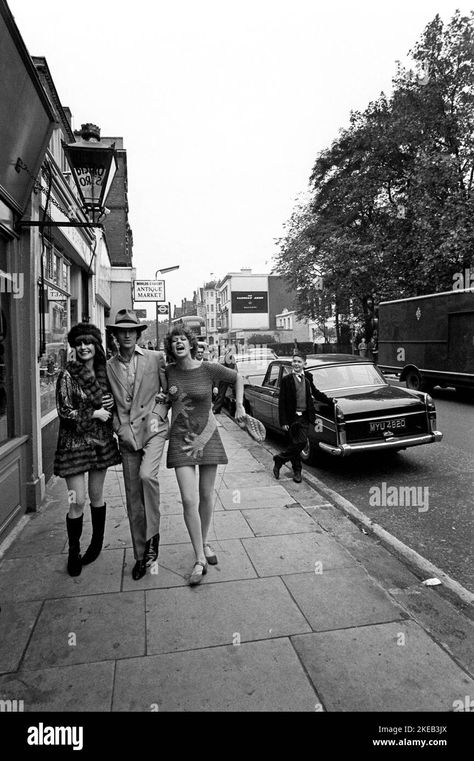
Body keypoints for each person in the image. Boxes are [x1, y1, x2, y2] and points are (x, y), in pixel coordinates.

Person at [164, 326, 245, 585]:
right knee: (189, 499)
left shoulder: (208, 368)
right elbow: (165, 399)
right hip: (180, 442)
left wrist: (240, 406)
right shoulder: (168, 371)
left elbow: (237, 378)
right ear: (171, 347)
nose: (179, 343)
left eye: (183, 339)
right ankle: (199, 557)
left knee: (207, 495)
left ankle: (205, 540)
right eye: (174, 340)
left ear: (190, 344)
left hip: (208, 437)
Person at [106, 309, 169, 580]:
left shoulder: (156, 358)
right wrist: (118, 427)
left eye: (132, 330)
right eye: (123, 331)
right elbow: (105, 400)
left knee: (147, 477)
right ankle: (141, 556)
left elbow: (168, 392)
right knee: (133, 499)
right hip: (127, 436)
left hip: (153, 430)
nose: (128, 334)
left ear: (139, 333)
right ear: (116, 336)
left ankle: (153, 536)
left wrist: (158, 414)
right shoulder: (108, 367)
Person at [54, 323, 121, 577]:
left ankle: (95, 543)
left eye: (88, 342)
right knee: (77, 500)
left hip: (100, 444)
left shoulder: (106, 373)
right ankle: (73, 550)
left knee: (96, 496)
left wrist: (112, 405)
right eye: (78, 343)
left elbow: (116, 404)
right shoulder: (68, 375)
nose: (83, 347)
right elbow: (64, 411)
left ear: (96, 345)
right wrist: (94, 412)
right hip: (74, 446)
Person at [273, 351, 333, 483]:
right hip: (292, 417)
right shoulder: (286, 380)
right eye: (294, 361)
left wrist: (330, 401)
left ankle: (280, 459)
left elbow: (315, 393)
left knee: (301, 442)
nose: (296, 364)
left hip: (305, 416)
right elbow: (282, 401)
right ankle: (297, 472)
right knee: (295, 443)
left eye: (299, 362)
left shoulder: (307, 378)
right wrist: (283, 421)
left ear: (304, 364)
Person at [212, 345, 236, 414]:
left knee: (221, 395)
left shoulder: (229, 357)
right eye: (222, 349)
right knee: (220, 395)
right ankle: (216, 409)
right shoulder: (225, 357)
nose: (222, 350)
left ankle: (216, 409)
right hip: (223, 378)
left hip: (225, 378)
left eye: (223, 349)